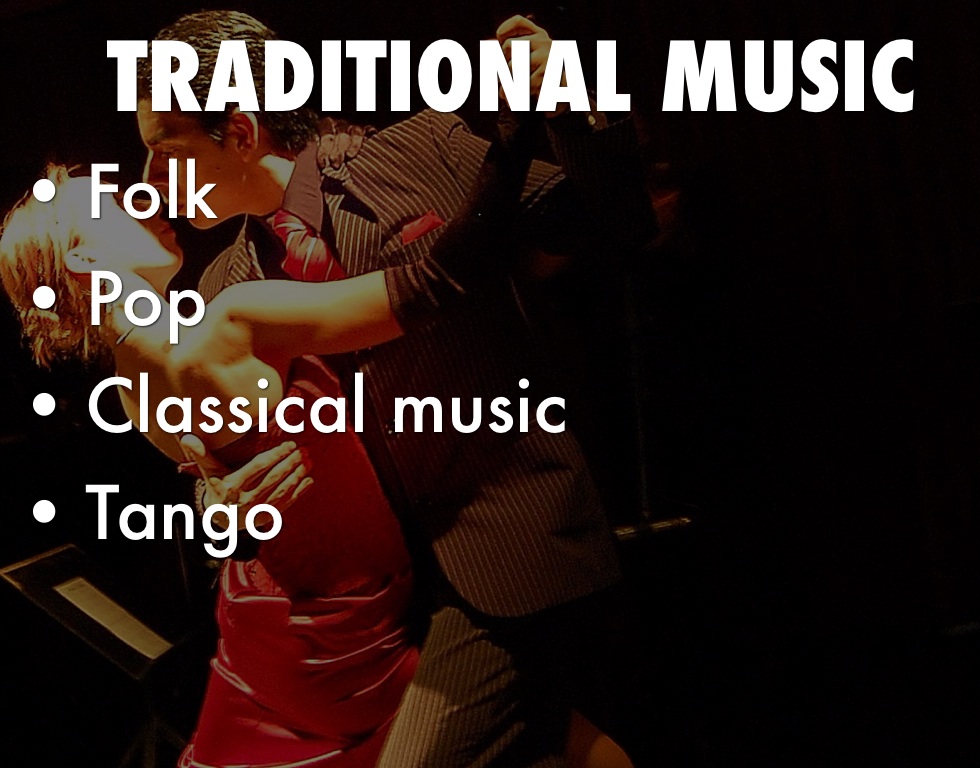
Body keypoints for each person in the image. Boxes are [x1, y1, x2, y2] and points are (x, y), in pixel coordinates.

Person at [1, 95, 631, 766]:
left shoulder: (133, 387)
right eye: (115, 204)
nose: (146, 192)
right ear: (85, 261)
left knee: (572, 749)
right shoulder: (227, 314)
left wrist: (218, 500)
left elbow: (220, 470)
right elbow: (436, 279)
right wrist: (516, 127)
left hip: (291, 616)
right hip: (346, 622)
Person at [138, 11, 656, 766]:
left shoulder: (415, 150)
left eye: (165, 150)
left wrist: (569, 101)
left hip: (506, 548)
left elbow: (612, 227)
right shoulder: (224, 284)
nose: (150, 181)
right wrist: (222, 498)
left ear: (241, 132)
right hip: (372, 608)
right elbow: (221, 476)